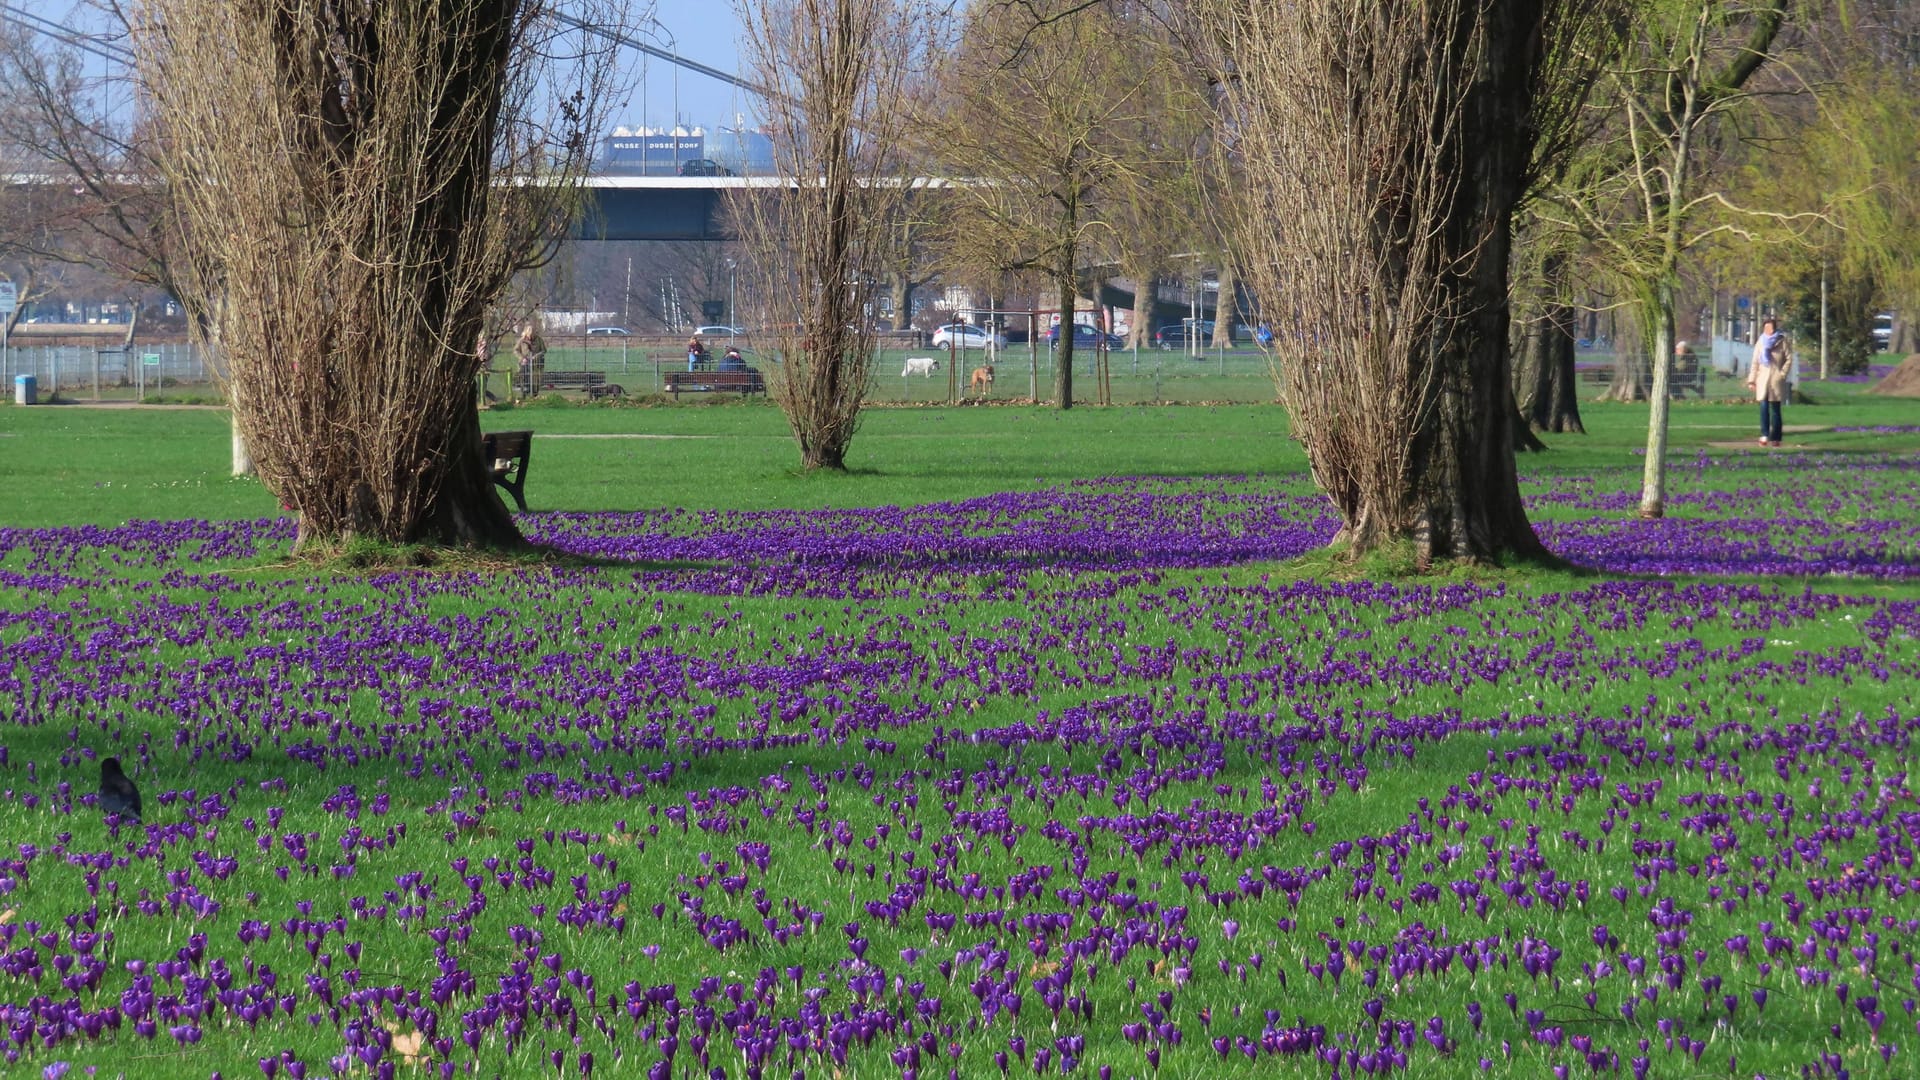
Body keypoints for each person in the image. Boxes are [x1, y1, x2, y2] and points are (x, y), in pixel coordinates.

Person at [1746, 318, 1789, 446]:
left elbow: (1789, 359)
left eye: (1770, 327)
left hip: (1775, 379)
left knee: (1775, 410)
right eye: (1766, 327)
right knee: (1764, 408)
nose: (1768, 330)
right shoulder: (1760, 342)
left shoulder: (1782, 341)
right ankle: (1764, 434)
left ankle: (1776, 437)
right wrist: (1751, 380)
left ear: (1774, 328)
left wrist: (1782, 374)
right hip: (1762, 379)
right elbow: (1755, 362)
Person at [514, 323, 546, 399]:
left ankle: (535, 394)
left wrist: (536, 356)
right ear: (526, 333)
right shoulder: (522, 340)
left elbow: (544, 350)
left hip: (536, 363)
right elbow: (516, 350)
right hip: (525, 362)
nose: (531, 336)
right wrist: (522, 358)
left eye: (532, 335)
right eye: (529, 335)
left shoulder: (539, 340)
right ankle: (524, 393)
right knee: (524, 377)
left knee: (536, 379)